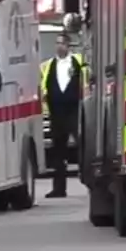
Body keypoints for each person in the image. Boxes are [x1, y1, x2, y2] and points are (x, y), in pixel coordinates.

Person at [40, 33, 84, 199]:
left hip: (75, 111)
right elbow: (45, 87)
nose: (59, 46)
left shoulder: (78, 62)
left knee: (82, 148)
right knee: (58, 153)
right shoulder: (48, 65)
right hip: (56, 113)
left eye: (62, 43)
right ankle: (59, 189)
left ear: (68, 46)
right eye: (57, 43)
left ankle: (91, 183)